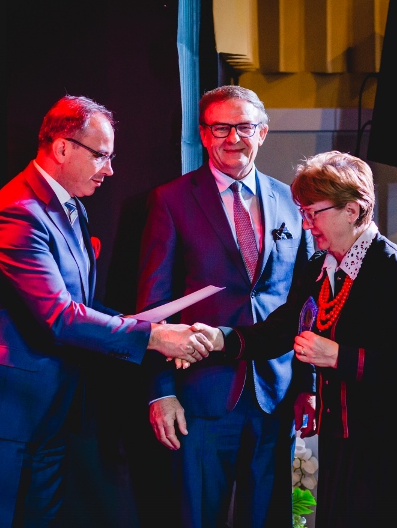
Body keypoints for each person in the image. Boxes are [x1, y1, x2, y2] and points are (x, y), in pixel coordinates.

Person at [0, 95, 214, 527]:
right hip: (5, 412)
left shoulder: (70, 205)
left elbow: (82, 305)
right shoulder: (16, 214)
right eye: (101, 156)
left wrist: (150, 327)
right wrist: (153, 337)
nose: (109, 170)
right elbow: (59, 317)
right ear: (61, 148)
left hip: (52, 409)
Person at [187, 150, 397, 527]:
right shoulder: (320, 268)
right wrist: (219, 338)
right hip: (350, 435)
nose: (306, 225)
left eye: (314, 213)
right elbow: (281, 329)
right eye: (303, 213)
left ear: (352, 210)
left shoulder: (394, 268)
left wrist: (339, 356)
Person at [137, 85, 314, 528]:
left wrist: (309, 385)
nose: (233, 138)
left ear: (263, 133)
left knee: (272, 519)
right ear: (203, 134)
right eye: (220, 128)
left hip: (276, 395)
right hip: (199, 396)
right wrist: (161, 391)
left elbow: (306, 304)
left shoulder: (292, 202)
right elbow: (154, 307)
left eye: (244, 127)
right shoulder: (171, 201)